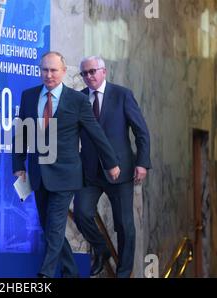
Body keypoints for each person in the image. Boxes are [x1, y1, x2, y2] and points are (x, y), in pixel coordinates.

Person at [12, 51, 121, 278]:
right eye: (45, 70)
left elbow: (96, 133)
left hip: (66, 175)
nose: (48, 74)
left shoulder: (78, 100)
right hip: (39, 172)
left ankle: (46, 275)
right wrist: (18, 163)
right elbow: (21, 132)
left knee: (55, 225)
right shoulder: (29, 96)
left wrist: (111, 163)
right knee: (47, 225)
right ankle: (71, 272)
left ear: (63, 71)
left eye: (53, 70)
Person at [74, 56, 151, 278]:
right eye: (84, 73)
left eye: (92, 71)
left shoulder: (122, 95)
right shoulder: (79, 99)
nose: (89, 76)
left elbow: (141, 131)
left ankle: (124, 272)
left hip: (121, 170)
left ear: (104, 71)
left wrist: (142, 163)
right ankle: (101, 248)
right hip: (89, 172)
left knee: (124, 225)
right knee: (81, 213)